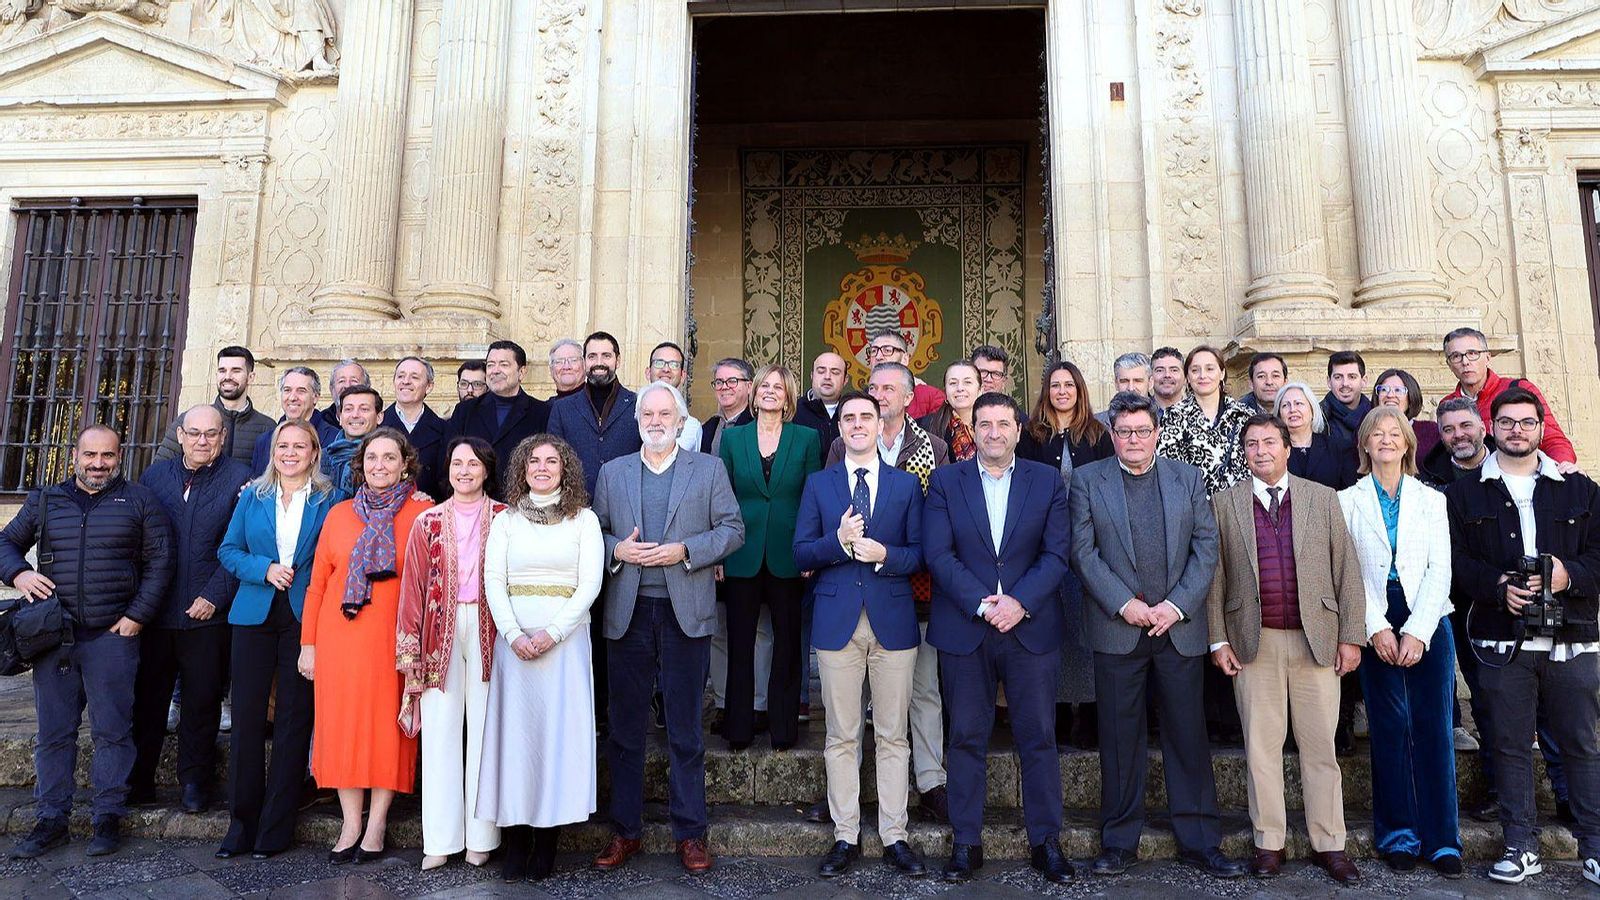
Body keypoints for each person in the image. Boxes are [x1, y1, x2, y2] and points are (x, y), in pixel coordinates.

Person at [1069, 392, 1242, 880]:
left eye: (1142, 431)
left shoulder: (1186, 478)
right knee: (1120, 741)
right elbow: (1083, 554)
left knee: (1188, 735)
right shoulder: (1087, 481)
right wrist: (1126, 604)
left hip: (1177, 629)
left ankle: (1200, 839)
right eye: (1123, 432)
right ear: (1113, 436)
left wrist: (1176, 605)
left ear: (1157, 434)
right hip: (1117, 627)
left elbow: (1206, 546)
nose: (1133, 441)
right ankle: (1119, 841)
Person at [1446, 387, 1600, 886]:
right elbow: (1454, 562)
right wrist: (1495, 588)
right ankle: (1520, 845)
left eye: (1526, 422)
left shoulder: (1580, 491)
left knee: (1582, 744)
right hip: (1500, 642)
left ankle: (1595, 846)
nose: (1517, 430)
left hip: (1571, 640)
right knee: (1508, 745)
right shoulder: (1462, 495)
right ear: (1492, 428)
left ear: (1540, 428)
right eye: (1507, 422)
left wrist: (1566, 575)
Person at [591, 382, 744, 874]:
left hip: (685, 612)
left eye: (665, 413)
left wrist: (686, 551)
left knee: (685, 730)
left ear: (681, 421)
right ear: (638, 421)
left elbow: (733, 529)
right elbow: (594, 529)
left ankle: (691, 833)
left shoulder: (708, 469)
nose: (655, 421)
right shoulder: (613, 472)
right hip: (628, 613)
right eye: (647, 414)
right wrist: (617, 548)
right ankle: (625, 831)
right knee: (625, 730)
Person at [0, 426, 173, 860]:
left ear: (120, 457)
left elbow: (161, 563)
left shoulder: (138, 501)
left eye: (108, 456)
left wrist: (136, 616)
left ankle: (107, 817)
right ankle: (50, 819)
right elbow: (5, 542)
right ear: (75, 455)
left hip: (111, 639)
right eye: (91, 455)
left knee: (112, 731)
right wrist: (18, 573)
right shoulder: (45, 499)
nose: (99, 464)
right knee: (53, 734)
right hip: (53, 638)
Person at [1207, 414, 1365, 883]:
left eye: (1269, 442)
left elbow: (1347, 573)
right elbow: (1214, 579)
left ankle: (1329, 843)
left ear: (1287, 447)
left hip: (1316, 640)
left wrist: (1350, 636)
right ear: (1244, 452)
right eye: (1252, 444)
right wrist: (1218, 638)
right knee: (1261, 749)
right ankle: (1268, 842)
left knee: (1320, 748)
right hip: (1255, 643)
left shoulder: (1322, 498)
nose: (1261, 451)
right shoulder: (1223, 504)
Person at [925, 392, 1072, 884]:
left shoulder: (1046, 481)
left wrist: (1019, 603)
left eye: (1002, 423)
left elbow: (1056, 555)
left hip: (1030, 627)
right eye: (984, 424)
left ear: (1017, 429)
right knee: (965, 736)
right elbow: (939, 554)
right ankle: (966, 842)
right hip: (967, 627)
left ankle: (1046, 841)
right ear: (974, 429)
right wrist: (985, 603)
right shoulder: (947, 481)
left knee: (1039, 736)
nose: (993, 432)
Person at [792, 391, 927, 878]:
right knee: (841, 735)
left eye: (865, 417)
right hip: (836, 624)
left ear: (880, 422)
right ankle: (845, 834)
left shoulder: (906, 485)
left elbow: (920, 554)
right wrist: (839, 542)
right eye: (848, 418)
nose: (856, 424)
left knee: (893, 734)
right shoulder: (819, 485)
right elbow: (801, 553)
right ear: (841, 428)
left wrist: (883, 554)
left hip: (892, 622)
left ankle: (895, 835)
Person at [814, 363, 952, 825]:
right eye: (873, 387)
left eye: (889, 388)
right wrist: (841, 540)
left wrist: (890, 554)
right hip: (853, 595)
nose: (880, 395)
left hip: (916, 590)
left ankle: (930, 782)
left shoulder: (932, 447)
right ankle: (844, 806)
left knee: (923, 690)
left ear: (910, 396)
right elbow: (826, 511)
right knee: (846, 718)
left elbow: (939, 517)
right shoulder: (840, 447)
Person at [1427, 397, 1572, 820]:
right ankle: (1500, 791)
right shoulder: (1437, 480)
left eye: (1466, 426)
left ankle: (1564, 793)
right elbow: (1451, 555)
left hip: (1541, 603)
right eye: (1450, 429)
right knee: (1491, 706)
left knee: (1551, 704)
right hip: (1477, 613)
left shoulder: (1531, 471)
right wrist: (1495, 586)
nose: (1459, 435)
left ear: (1483, 427)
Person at [1338, 407, 1461, 876]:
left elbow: (1440, 571)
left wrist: (1418, 630)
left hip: (1428, 615)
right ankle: (1399, 836)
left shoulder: (1431, 500)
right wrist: (1376, 626)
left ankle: (1443, 840)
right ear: (1365, 445)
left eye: (1396, 434)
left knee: (1433, 728)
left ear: (1408, 444)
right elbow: (1347, 571)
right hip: (1373, 614)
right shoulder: (1346, 501)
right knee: (1390, 729)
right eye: (1378, 434)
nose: (1386, 440)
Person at [299, 428, 431, 863]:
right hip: (340, 640)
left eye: (389, 458)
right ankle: (350, 822)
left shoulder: (422, 513)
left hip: (393, 642)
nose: (380, 465)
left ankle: (376, 825)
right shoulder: (338, 514)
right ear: (361, 464)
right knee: (342, 729)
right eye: (372, 457)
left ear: (404, 464)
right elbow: (318, 585)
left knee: (386, 731)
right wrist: (309, 645)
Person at [479, 435, 603, 882]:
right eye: (535, 461)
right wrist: (513, 633)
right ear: (523, 469)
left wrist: (551, 634)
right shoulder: (507, 520)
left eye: (552, 461)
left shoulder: (583, 521)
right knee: (516, 741)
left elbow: (589, 584)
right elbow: (494, 579)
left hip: (564, 644)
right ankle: (515, 841)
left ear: (566, 469)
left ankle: (547, 842)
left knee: (554, 739)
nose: (543, 468)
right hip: (514, 644)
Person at [214, 420, 341, 860]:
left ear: (313, 452)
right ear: (273, 452)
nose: (289, 452)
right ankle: (241, 823)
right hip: (253, 615)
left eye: (298, 446)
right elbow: (228, 550)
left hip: (305, 620)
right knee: (248, 719)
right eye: (282, 445)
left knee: (294, 720)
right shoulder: (253, 496)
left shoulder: (332, 499)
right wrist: (264, 568)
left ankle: (276, 826)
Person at [129, 406, 252, 814]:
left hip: (208, 615)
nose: (203, 441)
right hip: (158, 612)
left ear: (222, 438)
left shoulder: (240, 480)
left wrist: (215, 594)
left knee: (201, 703)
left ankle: (195, 783)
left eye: (211, 434)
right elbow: (141, 540)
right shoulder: (155, 477)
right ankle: (139, 780)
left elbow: (244, 545)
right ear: (180, 435)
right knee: (148, 700)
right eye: (194, 433)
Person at [395, 437, 506, 872]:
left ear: (485, 470)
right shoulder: (428, 521)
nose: (464, 471)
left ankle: (482, 837)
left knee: (484, 732)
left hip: (489, 629)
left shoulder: (505, 518)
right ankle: (440, 839)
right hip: (437, 633)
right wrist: (411, 654)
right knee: (440, 734)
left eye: (473, 463)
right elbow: (413, 591)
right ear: (447, 470)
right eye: (457, 463)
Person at [718, 365, 822, 751]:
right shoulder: (733, 439)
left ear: (789, 396)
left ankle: (783, 729)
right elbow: (722, 498)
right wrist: (718, 553)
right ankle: (738, 728)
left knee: (788, 643)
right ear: (754, 392)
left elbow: (813, 498)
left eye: (779, 388)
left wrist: (809, 546)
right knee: (739, 642)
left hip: (789, 552)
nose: (770, 392)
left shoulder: (807, 438)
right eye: (765, 386)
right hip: (741, 552)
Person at [1020, 360, 1113, 746]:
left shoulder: (1097, 435)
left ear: (1079, 390)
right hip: (1043, 549)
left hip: (1089, 549)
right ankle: (1055, 716)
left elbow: (1109, 489)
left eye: (1069, 385)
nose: (1061, 391)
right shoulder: (1031, 435)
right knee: (1050, 632)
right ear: (1046, 391)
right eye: (1055, 385)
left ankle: (1090, 718)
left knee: (1086, 632)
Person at [1441, 326, 1576, 464]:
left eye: (1473, 353)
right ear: (1449, 365)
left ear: (1487, 357)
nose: (1465, 362)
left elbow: (1553, 440)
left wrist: (1563, 469)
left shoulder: (1520, 388)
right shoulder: (1448, 404)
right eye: (1456, 356)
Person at [448, 341, 551, 492]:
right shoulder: (465, 411)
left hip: (521, 503)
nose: (495, 371)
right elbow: (449, 458)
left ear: (521, 372)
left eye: (503, 364)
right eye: (490, 365)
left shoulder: (542, 412)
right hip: (475, 500)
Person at [548, 331, 642, 498]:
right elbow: (553, 459)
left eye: (606, 356)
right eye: (592, 356)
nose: (599, 363)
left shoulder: (638, 404)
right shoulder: (562, 409)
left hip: (626, 504)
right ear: (584, 361)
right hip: (575, 507)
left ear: (617, 360)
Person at [1155, 345, 1249, 497]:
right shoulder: (1172, 417)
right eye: (1195, 370)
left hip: (1237, 507)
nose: (1202, 375)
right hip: (1192, 508)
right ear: (1187, 378)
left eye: (1210, 369)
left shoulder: (1244, 415)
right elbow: (1168, 471)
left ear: (1222, 373)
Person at [154, 346, 275, 464]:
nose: (227, 377)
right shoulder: (189, 420)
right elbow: (160, 471)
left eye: (236, 371)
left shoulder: (267, 428)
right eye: (222, 370)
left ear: (251, 377)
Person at [250, 366, 339, 474]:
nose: (292, 397)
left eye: (301, 391)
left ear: (315, 397)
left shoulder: (335, 439)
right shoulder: (264, 441)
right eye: (287, 390)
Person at [384, 356, 449, 496]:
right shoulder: (377, 426)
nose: (406, 381)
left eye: (414, 377)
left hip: (428, 510)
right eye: (401, 376)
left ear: (429, 386)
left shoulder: (444, 430)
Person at [1276, 382, 1358, 490]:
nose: (1292, 410)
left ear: (1312, 409)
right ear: (1279, 414)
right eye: (1285, 405)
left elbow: (1350, 494)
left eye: (1298, 403)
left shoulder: (1340, 448)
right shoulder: (1273, 450)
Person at [866, 329, 945, 419]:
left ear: (905, 359)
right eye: (873, 351)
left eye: (887, 350)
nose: (878, 357)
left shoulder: (931, 397)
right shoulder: (861, 399)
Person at [322, 386, 382, 495]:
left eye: (364, 409)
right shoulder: (322, 457)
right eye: (348, 409)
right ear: (340, 417)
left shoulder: (389, 457)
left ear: (379, 417)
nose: (355, 415)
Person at [645, 341, 703, 452]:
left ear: (683, 376)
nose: (666, 369)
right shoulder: (630, 417)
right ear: (648, 372)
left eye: (674, 364)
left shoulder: (692, 427)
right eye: (659, 363)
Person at [919, 360, 982, 462]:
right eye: (953, 383)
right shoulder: (924, 427)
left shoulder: (994, 424)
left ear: (980, 390)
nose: (960, 388)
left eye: (967, 382)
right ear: (945, 391)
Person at [1371, 367, 1439, 462]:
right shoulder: (1367, 431)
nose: (1390, 395)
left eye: (1398, 390)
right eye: (1384, 389)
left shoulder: (1431, 431)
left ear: (1411, 396)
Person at [794, 351, 846, 464]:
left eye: (835, 372)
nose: (827, 377)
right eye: (821, 371)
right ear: (812, 376)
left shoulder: (853, 413)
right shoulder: (793, 412)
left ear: (845, 380)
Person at [700, 357, 754, 454]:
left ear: (749, 387)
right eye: (719, 382)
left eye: (732, 381)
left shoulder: (758, 424)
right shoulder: (708, 427)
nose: (724, 387)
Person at [1321, 351, 1371, 454]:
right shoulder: (1316, 418)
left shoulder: (1377, 416)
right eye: (1338, 377)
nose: (1345, 383)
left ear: (1364, 381)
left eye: (1352, 377)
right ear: (1329, 381)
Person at [1093, 352, 1154, 427]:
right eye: (1124, 381)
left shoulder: (1166, 421)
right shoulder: (1095, 424)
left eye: (1138, 381)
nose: (1131, 388)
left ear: (1150, 383)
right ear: (1116, 384)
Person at [314, 359, 370, 435]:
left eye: (354, 380)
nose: (347, 386)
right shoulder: (318, 425)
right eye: (341, 381)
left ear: (367, 388)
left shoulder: (377, 424)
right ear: (331, 389)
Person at [1150, 346, 1186, 418]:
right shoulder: (1140, 412)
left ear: (1185, 377)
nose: (1167, 375)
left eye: (1174, 370)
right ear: (1150, 377)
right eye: (1160, 370)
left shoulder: (1199, 413)